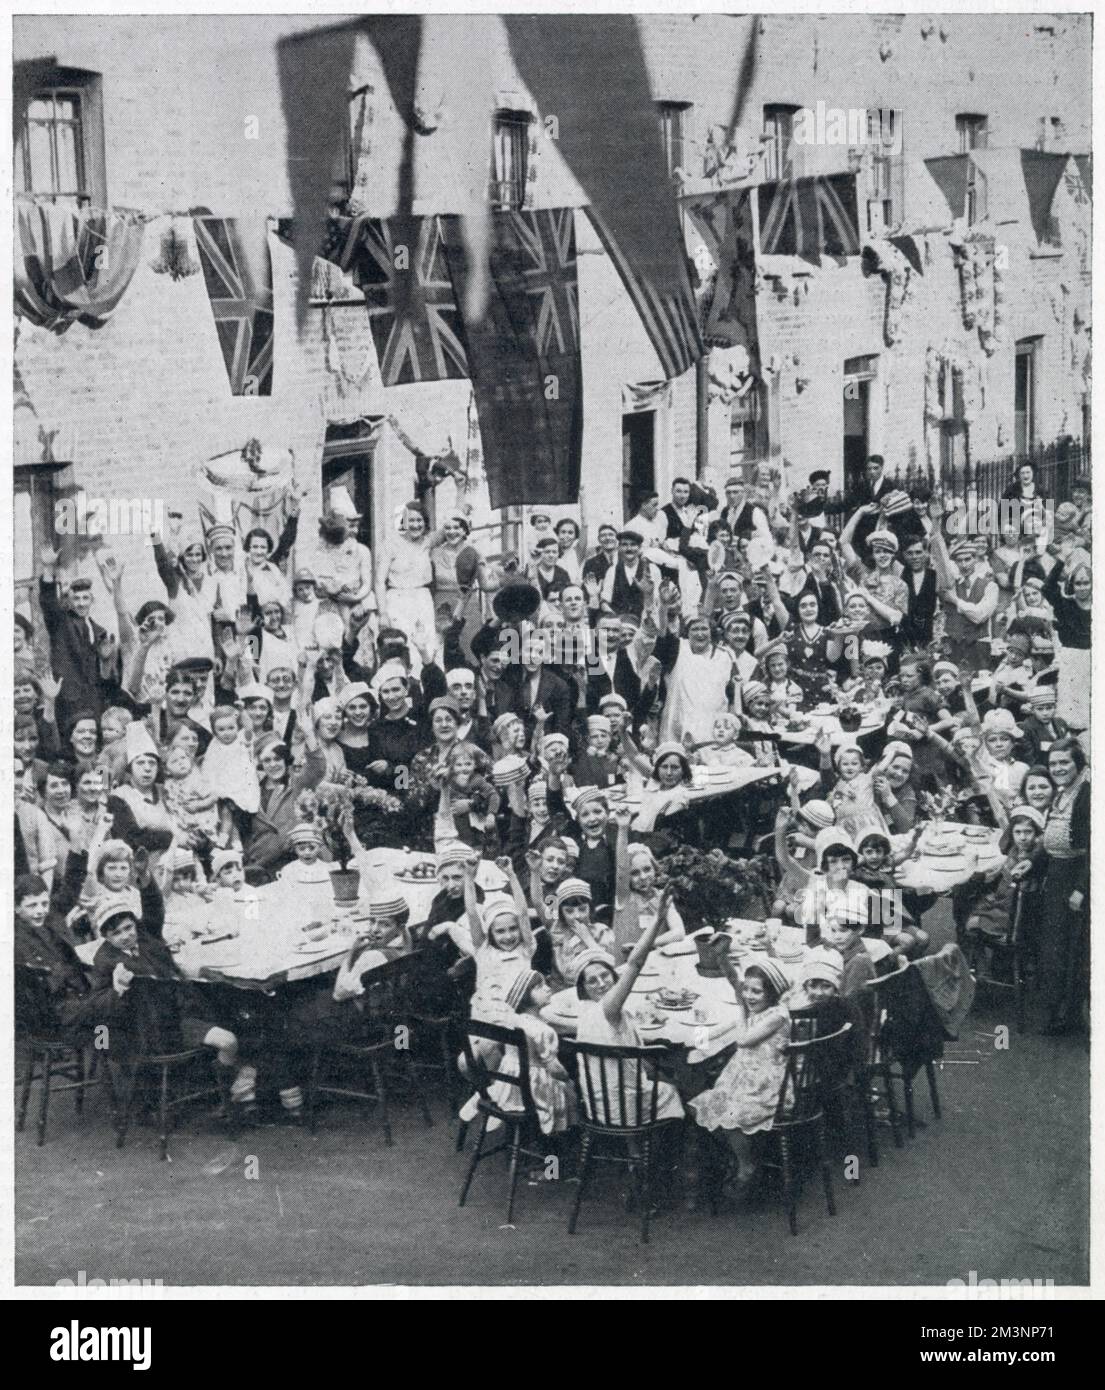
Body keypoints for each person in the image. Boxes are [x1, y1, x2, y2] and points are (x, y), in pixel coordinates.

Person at [574, 893, 684, 1124]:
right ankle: (663, 1146)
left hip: (597, 1105)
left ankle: (632, 1149)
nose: (602, 983)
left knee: (647, 1069)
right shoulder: (609, 1009)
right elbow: (635, 963)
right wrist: (657, 920)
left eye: (605, 976)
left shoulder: (583, 1010)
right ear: (583, 988)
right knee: (675, 1088)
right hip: (625, 1107)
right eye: (592, 981)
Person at [691, 952, 791, 1194]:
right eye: (747, 990)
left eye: (756, 991)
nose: (748, 996)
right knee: (702, 1105)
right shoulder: (755, 1010)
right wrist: (698, 1035)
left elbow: (744, 1039)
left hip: (767, 1085)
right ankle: (738, 1154)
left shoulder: (778, 1015)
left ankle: (747, 1165)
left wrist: (730, 1023)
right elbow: (735, 985)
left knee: (729, 1115)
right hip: (744, 1078)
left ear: (773, 993)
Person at [1037, 738, 1090, 1035]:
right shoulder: (1064, 791)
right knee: (1054, 947)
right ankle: (1054, 1012)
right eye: (1053, 763)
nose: (1057, 768)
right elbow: (1053, 838)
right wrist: (1033, 862)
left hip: (1075, 876)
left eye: (1063, 762)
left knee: (1070, 950)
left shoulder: (1086, 793)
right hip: (1058, 873)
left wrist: (1081, 888)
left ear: (1077, 763)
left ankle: (1067, 1016)